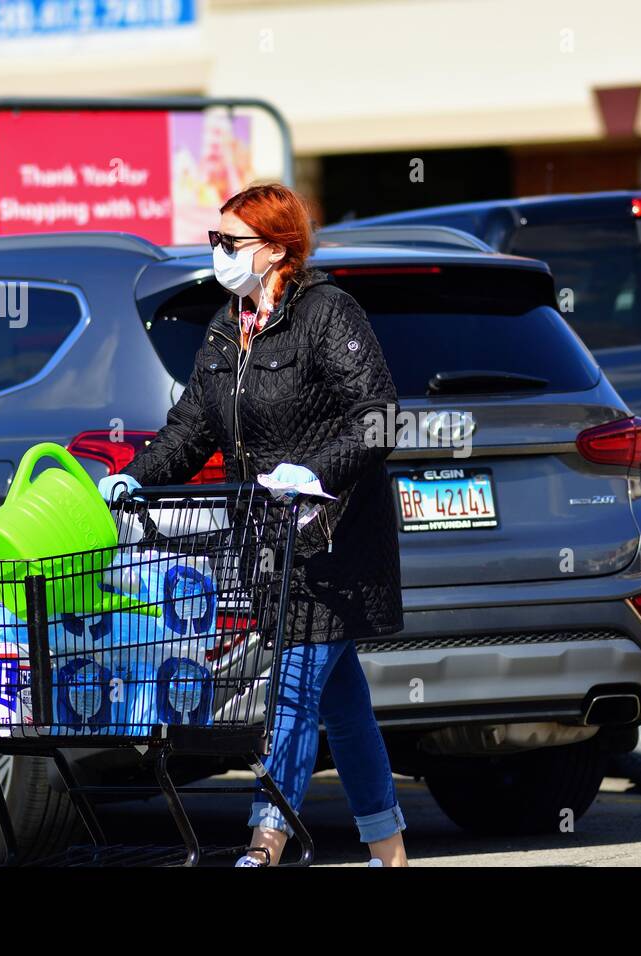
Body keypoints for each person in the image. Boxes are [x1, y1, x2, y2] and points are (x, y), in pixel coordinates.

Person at [100, 183, 409, 867]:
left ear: (276, 248)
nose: (218, 253)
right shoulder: (224, 326)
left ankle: (265, 844)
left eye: (230, 243)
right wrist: (135, 475)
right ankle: (389, 849)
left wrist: (316, 473)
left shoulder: (326, 314)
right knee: (344, 705)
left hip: (333, 543)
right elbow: (192, 427)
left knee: (293, 692)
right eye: (215, 240)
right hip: (270, 548)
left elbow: (379, 414)